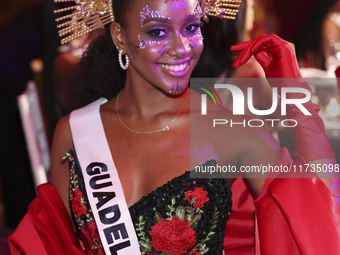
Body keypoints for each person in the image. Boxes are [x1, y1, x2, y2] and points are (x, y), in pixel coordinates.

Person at [8, 0, 340, 254]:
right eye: (157, 31)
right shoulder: (75, 132)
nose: (182, 48)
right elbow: (52, 245)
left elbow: (318, 217)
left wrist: (295, 96)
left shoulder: (229, 131)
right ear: (120, 37)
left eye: (192, 27)